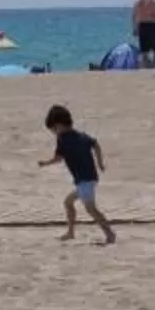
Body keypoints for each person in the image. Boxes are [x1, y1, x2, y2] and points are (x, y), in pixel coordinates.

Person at [39, 104, 115, 244]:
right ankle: (71, 232)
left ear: (59, 125)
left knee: (91, 209)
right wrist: (100, 163)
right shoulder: (81, 135)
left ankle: (110, 234)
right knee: (68, 203)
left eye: (54, 129)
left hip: (85, 180)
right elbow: (95, 144)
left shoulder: (62, 139)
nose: (54, 132)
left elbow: (58, 158)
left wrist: (45, 163)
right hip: (87, 179)